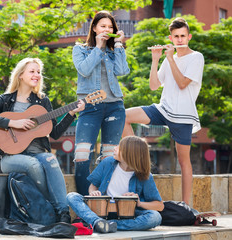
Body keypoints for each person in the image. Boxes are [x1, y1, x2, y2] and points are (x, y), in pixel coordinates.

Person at [0, 57, 85, 223]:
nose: (37, 75)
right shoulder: (6, 100)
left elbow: (55, 133)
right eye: (32, 71)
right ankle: (51, 205)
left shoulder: (43, 102)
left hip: (38, 153)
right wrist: (13, 123)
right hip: (9, 157)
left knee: (51, 159)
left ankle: (63, 213)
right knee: (32, 164)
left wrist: (71, 114)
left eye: (39, 72)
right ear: (21, 75)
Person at [122, 17, 204, 205]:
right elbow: (153, 86)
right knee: (123, 116)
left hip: (183, 115)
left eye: (183, 36)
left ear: (189, 36)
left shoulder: (196, 57)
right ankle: (137, 160)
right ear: (171, 37)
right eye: (176, 36)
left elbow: (183, 84)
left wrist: (169, 58)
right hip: (163, 109)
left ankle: (186, 206)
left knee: (184, 161)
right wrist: (156, 59)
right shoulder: (169, 59)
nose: (180, 40)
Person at [73, 10, 130, 196]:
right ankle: (83, 203)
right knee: (81, 155)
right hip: (89, 107)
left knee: (109, 158)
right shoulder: (80, 49)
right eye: (103, 26)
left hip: (115, 106)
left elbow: (123, 71)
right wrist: (97, 47)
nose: (107, 29)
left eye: (110, 27)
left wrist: (119, 44)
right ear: (95, 28)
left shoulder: (114, 52)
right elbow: (84, 70)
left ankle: (105, 202)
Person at [67, 136, 164, 233]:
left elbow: (159, 206)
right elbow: (93, 185)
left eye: (119, 147)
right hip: (101, 210)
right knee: (72, 196)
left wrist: (139, 203)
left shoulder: (145, 176)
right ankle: (98, 222)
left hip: (128, 214)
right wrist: (94, 192)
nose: (115, 148)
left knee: (155, 217)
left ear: (129, 153)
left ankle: (104, 224)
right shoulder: (107, 162)